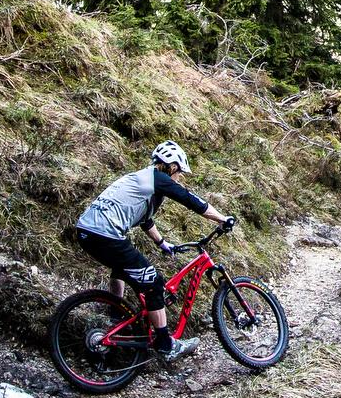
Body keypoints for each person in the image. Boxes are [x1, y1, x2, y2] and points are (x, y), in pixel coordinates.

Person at [72, 141, 234, 361]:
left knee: (120, 268)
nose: (178, 178)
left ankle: (115, 315)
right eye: (180, 173)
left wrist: (163, 243)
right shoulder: (157, 178)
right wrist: (222, 219)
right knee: (154, 284)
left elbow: (145, 220)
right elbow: (191, 200)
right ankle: (166, 345)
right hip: (104, 234)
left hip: (87, 232)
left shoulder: (141, 181)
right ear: (173, 167)